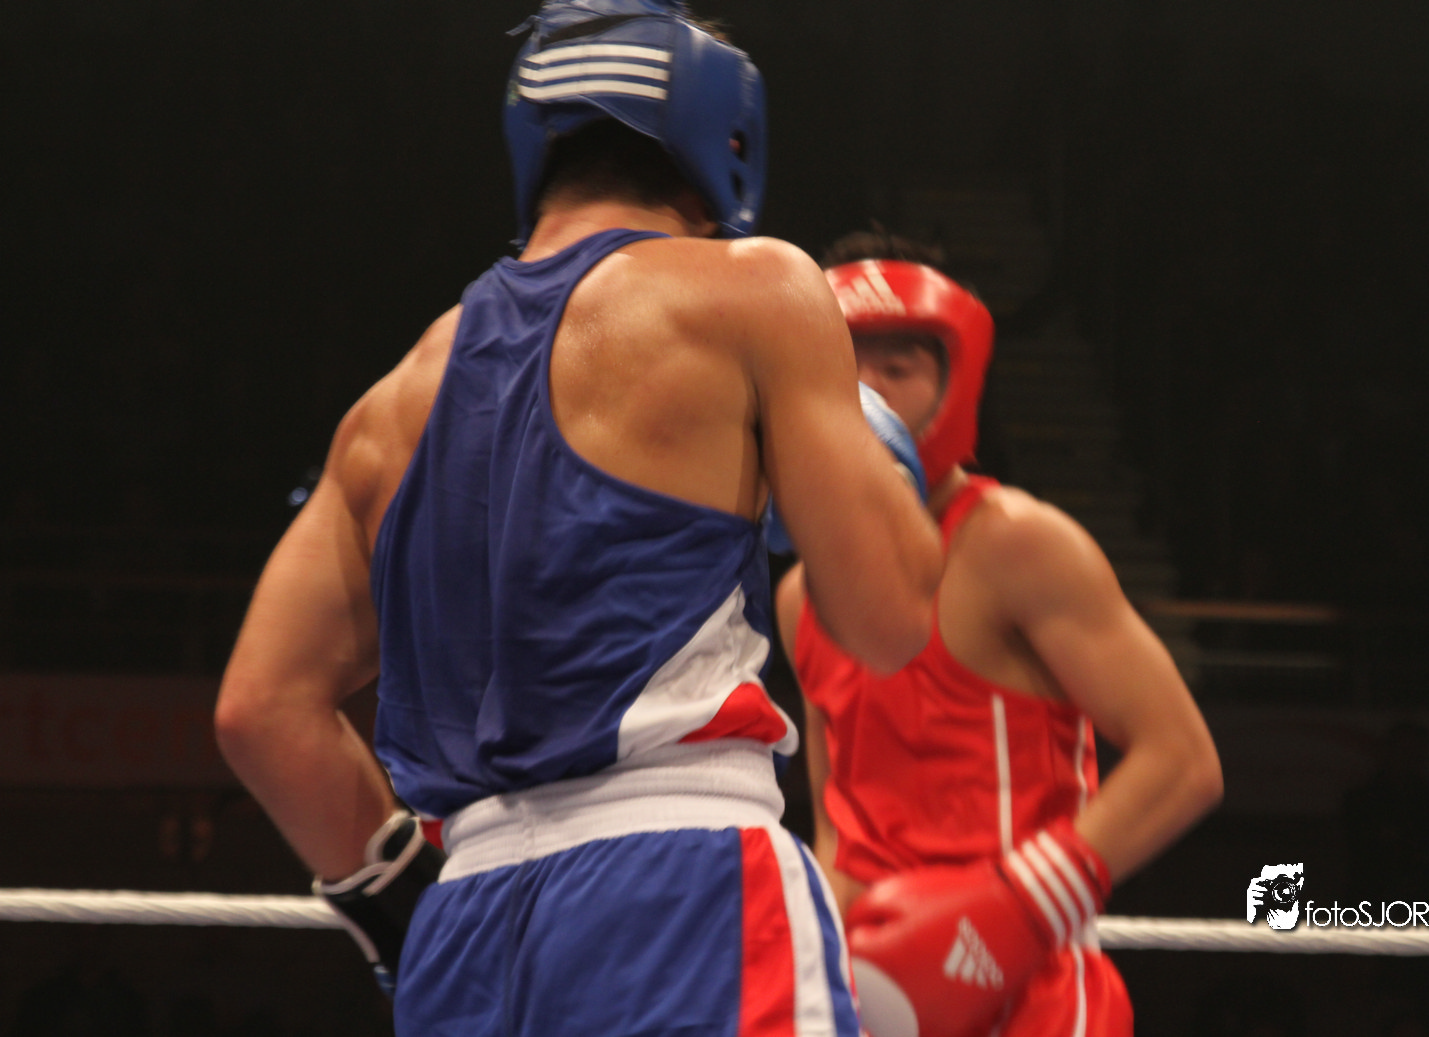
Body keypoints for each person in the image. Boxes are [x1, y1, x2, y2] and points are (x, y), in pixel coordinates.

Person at [213, 5, 943, 1035]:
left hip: (465, 926)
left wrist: (395, 897)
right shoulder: (751, 293)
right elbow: (888, 620)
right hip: (679, 886)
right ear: (724, 145)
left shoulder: (386, 410)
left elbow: (259, 708)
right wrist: (873, 457)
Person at [774, 233, 1224, 1037]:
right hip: (876, 993)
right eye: (845, 364)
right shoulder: (800, 594)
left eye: (898, 367)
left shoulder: (1017, 545)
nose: (868, 391)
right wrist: (822, 965)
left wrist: (1012, 908)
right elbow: (841, 831)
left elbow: (1182, 760)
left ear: (956, 382)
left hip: (1031, 991)